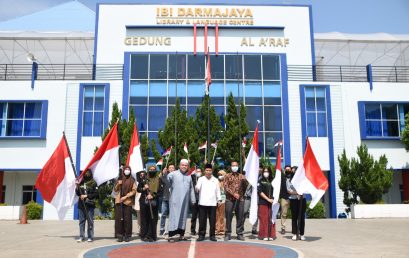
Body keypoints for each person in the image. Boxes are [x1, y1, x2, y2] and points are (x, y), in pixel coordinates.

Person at [167, 159, 196, 242]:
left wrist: (193, 199)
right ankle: (171, 236)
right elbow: (166, 179)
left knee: (183, 217)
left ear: (187, 167)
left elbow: (191, 189)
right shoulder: (173, 174)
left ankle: (181, 235)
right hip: (175, 200)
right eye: (182, 165)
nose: (184, 166)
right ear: (179, 165)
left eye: (185, 165)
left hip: (185, 201)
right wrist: (166, 173)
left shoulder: (189, 176)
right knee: (173, 217)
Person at [196, 164, 221, 241]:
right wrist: (197, 187)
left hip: (212, 203)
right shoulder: (201, 179)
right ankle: (201, 235)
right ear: (204, 171)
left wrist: (219, 199)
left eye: (210, 170)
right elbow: (197, 188)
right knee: (202, 220)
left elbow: (218, 191)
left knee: (212, 220)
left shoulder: (215, 180)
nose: (208, 172)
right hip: (202, 202)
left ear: (212, 171)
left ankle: (212, 235)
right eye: (207, 170)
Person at [223, 161, 248, 241]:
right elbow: (226, 187)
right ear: (231, 167)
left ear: (238, 166)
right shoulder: (227, 176)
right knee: (228, 216)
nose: (234, 167)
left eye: (236, 165)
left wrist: (240, 194)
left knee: (240, 217)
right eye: (233, 165)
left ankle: (239, 233)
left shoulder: (242, 176)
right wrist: (234, 194)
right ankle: (228, 234)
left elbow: (245, 187)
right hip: (230, 199)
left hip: (240, 199)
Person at [114, 166, 137, 242]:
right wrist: (118, 184)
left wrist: (126, 197)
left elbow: (134, 191)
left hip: (127, 201)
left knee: (127, 219)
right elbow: (115, 190)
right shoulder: (119, 179)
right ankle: (120, 235)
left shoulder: (132, 180)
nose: (127, 171)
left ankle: (127, 235)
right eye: (126, 169)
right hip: (119, 201)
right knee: (119, 219)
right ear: (123, 171)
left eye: (128, 170)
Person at [75, 170, 98, 242]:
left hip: (90, 205)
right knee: (81, 221)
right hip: (81, 205)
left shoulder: (94, 183)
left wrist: (86, 195)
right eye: (86, 173)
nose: (87, 174)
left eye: (88, 172)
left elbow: (96, 194)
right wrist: (77, 186)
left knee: (90, 221)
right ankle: (81, 236)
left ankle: (90, 236)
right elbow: (78, 193)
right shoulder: (81, 182)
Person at [137, 169, 159, 242]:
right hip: (144, 202)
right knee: (144, 219)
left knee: (153, 219)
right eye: (150, 169)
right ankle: (144, 235)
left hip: (154, 202)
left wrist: (153, 196)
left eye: (153, 169)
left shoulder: (158, 179)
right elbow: (138, 189)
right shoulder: (144, 180)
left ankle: (152, 236)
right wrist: (144, 188)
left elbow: (160, 191)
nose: (152, 171)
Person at [287, 165, 306, 241]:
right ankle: (295, 233)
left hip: (302, 199)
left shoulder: (303, 180)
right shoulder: (289, 180)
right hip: (293, 199)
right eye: (292, 170)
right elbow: (288, 190)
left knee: (301, 217)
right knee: (294, 217)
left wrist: (300, 193)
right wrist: (297, 193)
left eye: (295, 170)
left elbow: (305, 188)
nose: (294, 172)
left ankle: (302, 234)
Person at [257, 167, 276, 241]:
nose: (266, 172)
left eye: (267, 171)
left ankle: (271, 235)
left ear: (270, 172)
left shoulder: (273, 180)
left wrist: (274, 199)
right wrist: (268, 199)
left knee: (271, 218)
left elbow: (276, 190)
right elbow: (260, 192)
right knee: (263, 218)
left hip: (272, 202)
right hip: (263, 202)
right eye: (264, 171)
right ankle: (264, 235)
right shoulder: (260, 180)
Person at [244, 164, 262, 235]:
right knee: (244, 212)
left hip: (256, 197)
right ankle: (241, 228)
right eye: (258, 168)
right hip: (248, 196)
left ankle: (254, 229)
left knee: (256, 213)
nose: (259, 169)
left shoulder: (262, 178)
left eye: (260, 168)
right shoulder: (250, 175)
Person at [159, 164, 175, 236]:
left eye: (173, 168)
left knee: (173, 215)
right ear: (168, 169)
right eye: (170, 168)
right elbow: (159, 183)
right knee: (163, 214)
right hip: (165, 198)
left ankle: (172, 229)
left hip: (173, 199)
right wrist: (161, 174)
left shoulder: (176, 177)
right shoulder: (164, 176)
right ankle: (162, 229)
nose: (171, 169)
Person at [279, 165, 291, 234]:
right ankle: (283, 227)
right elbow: (279, 169)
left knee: (294, 213)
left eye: (289, 169)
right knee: (284, 213)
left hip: (293, 198)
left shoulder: (293, 177)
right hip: (284, 197)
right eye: (286, 169)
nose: (288, 170)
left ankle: (295, 228)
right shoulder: (282, 177)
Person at [190, 167, 202, 235]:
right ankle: (192, 230)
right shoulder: (193, 179)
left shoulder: (203, 179)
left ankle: (201, 230)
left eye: (199, 171)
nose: (198, 172)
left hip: (202, 200)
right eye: (197, 171)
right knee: (194, 216)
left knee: (201, 217)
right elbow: (189, 175)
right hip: (194, 200)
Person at [215, 170, 226, 236]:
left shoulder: (226, 182)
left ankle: (221, 230)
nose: (220, 176)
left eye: (221, 174)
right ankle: (216, 229)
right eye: (219, 174)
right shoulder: (216, 181)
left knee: (222, 216)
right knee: (216, 216)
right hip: (216, 201)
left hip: (223, 200)